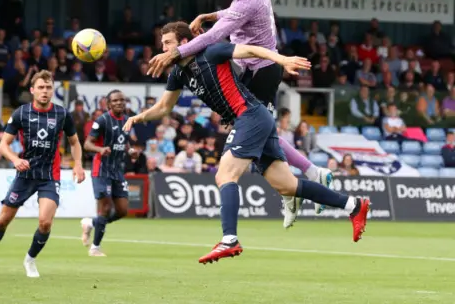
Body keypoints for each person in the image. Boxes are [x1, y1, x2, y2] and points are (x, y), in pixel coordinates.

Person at [125, 22, 369, 264]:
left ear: (185, 43)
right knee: (287, 186)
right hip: (255, 120)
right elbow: (164, 107)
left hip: (249, 116)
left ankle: (229, 239)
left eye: (167, 42)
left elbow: (251, 50)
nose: (163, 47)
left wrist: (281, 60)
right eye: (162, 42)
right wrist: (139, 117)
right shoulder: (178, 73)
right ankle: (353, 205)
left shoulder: (211, 52)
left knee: (225, 176)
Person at [147, 0, 334, 215]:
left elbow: (214, 35)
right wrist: (208, 14)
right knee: (260, 131)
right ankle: (300, 182)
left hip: (263, 69)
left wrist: (174, 53)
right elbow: (230, 15)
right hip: (249, 69)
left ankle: (306, 178)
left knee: (257, 127)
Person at [0, 70, 85, 278]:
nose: (45, 91)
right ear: (32, 90)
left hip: (49, 176)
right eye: (41, 88)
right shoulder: (21, 113)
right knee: (2, 221)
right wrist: (15, 159)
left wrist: (78, 164)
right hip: (25, 175)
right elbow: (3, 144)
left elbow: (74, 142)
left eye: (48, 88)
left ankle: (30, 259)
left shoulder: (62, 114)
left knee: (45, 222)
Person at [80, 90, 132, 256]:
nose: (119, 103)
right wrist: (100, 149)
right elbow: (87, 144)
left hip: (117, 170)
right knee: (105, 208)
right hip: (101, 169)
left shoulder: (127, 120)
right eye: (115, 100)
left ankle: (90, 223)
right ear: (109, 104)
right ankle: (95, 247)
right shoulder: (102, 120)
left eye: (122, 100)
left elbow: (124, 142)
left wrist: (131, 152)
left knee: (122, 211)